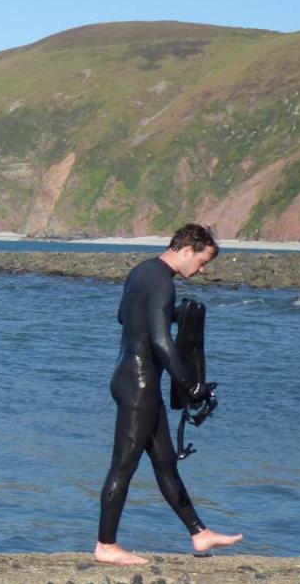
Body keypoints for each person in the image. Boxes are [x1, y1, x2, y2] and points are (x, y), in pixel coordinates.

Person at [95, 223, 244, 565]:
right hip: (139, 384)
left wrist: (174, 315)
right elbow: (161, 342)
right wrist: (190, 384)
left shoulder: (142, 271)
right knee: (123, 466)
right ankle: (106, 544)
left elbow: (124, 316)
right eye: (203, 262)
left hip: (127, 376)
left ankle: (199, 533)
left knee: (165, 463)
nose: (202, 270)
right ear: (187, 250)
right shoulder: (163, 282)